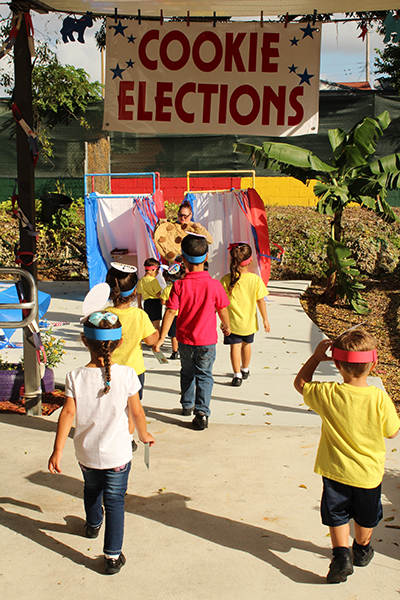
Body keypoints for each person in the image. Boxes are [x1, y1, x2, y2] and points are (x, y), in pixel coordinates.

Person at [48, 311, 155, 575]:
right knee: (116, 501)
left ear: (85, 341)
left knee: (91, 489)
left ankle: (93, 524)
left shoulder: (74, 376)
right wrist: (143, 435)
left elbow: (68, 414)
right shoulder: (128, 375)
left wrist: (57, 450)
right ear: (119, 343)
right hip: (118, 454)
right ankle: (112, 557)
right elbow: (137, 413)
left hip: (86, 453)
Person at [293, 328, 400, 584]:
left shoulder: (328, 393)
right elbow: (393, 432)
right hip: (368, 474)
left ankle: (341, 556)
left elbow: (300, 384)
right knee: (365, 516)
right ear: (373, 364)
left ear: (337, 364)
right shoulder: (379, 398)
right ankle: (361, 551)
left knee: (337, 514)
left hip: (335, 471)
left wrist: (316, 358)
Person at [154, 234, 231, 430]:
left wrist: (162, 337)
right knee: (205, 375)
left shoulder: (178, 285)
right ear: (206, 258)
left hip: (185, 341)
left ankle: (187, 405)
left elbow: (171, 311)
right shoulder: (215, 285)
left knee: (187, 372)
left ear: (184, 260)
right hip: (207, 341)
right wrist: (227, 326)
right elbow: (222, 309)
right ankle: (202, 412)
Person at [221, 243, 270, 386]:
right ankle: (245, 369)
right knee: (246, 346)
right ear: (250, 261)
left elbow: (220, 303)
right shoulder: (255, 280)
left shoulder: (225, 279)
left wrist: (223, 322)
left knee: (235, 347)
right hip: (249, 323)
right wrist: (265, 319)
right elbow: (261, 301)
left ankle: (237, 375)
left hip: (231, 324)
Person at [160, 260, 186, 360]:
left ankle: (175, 352)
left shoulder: (167, 289)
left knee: (173, 335)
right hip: (183, 314)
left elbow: (163, 302)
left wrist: (169, 304)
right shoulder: (184, 287)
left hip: (172, 315)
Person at [137, 258, 163, 331]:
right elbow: (158, 294)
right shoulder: (153, 280)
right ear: (151, 270)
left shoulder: (141, 280)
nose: (157, 273)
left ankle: (151, 340)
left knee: (150, 324)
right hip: (155, 303)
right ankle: (158, 340)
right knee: (157, 325)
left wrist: (139, 304)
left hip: (147, 303)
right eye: (157, 271)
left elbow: (139, 294)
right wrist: (165, 300)